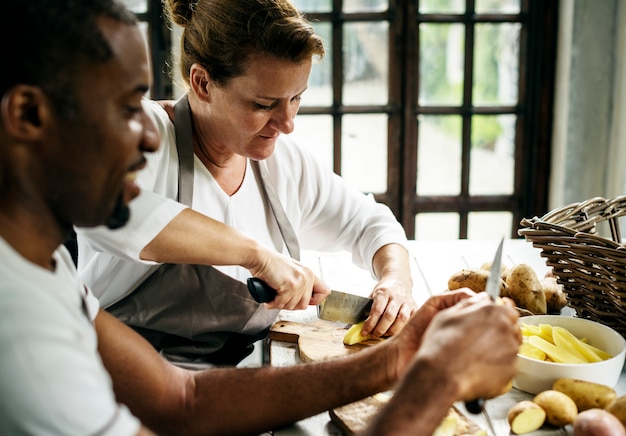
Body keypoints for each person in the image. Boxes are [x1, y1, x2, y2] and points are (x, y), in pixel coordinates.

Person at [0, 2, 523, 434]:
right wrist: (433, 380)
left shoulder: (46, 274)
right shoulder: (20, 333)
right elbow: (133, 221)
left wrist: (398, 357)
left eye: (296, 99)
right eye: (124, 107)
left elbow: (185, 398)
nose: (149, 130)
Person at [75, 0, 418, 366]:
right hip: (122, 384)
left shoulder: (284, 164)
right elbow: (106, 209)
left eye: (295, 99)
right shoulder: (144, 134)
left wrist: (396, 281)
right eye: (263, 104)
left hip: (233, 386)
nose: (287, 124)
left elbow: (370, 223)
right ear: (202, 82)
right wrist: (257, 256)